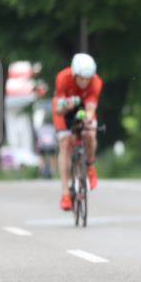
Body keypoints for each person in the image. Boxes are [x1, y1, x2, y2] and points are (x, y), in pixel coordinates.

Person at [52, 53, 102, 211]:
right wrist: (67, 105)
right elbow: (59, 110)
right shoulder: (63, 78)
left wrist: (88, 119)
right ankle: (65, 193)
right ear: (74, 75)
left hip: (83, 109)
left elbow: (91, 107)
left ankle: (90, 166)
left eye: (88, 78)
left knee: (90, 133)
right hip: (64, 109)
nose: (85, 82)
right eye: (81, 78)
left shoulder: (96, 82)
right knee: (65, 144)